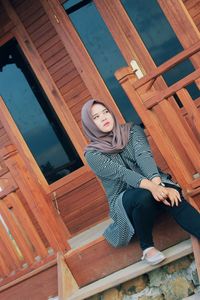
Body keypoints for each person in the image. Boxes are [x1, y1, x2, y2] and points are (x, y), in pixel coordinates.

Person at [81, 99, 200, 265]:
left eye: (105, 112)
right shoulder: (92, 155)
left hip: (155, 181)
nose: (103, 118)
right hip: (124, 199)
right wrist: (155, 188)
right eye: (96, 117)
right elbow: (122, 174)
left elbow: (144, 156)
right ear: (90, 124)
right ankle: (147, 248)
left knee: (174, 197)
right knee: (144, 196)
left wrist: (159, 185)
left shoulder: (132, 131)